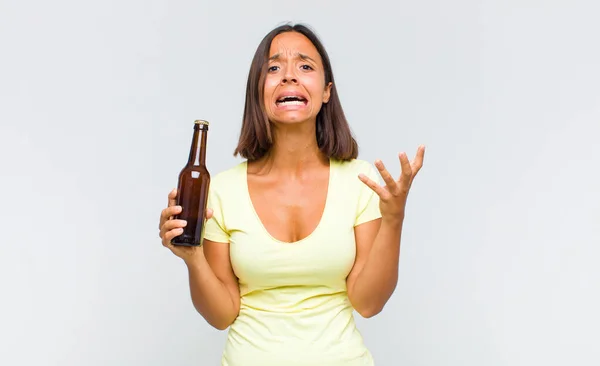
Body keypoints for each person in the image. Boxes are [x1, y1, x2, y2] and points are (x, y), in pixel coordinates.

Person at [158, 22, 425, 366]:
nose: (288, 76)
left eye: (305, 66)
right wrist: (192, 258)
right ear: (259, 91)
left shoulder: (359, 180)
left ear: (327, 91)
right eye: (273, 68)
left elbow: (368, 303)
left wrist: (393, 219)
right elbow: (222, 314)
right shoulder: (222, 190)